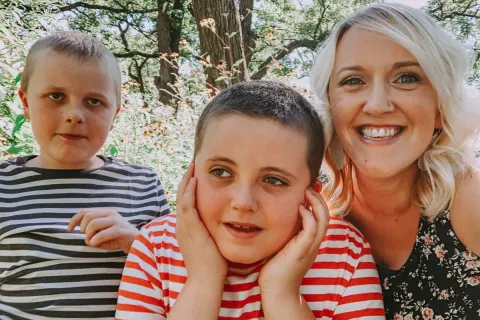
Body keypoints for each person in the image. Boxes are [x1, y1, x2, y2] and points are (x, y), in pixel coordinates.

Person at [115, 80, 385, 319]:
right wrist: (204, 279)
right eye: (221, 172)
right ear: (192, 175)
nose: (243, 202)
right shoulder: (155, 248)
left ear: (311, 195)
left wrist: (283, 293)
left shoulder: (345, 254)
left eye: (274, 180)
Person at [310, 3, 480, 319]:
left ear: (441, 106)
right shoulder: (306, 219)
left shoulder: (471, 199)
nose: (377, 105)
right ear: (330, 107)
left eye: (406, 77)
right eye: (353, 80)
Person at [0, 31, 170, 319]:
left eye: (93, 102)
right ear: (26, 103)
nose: (74, 114)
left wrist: (137, 242)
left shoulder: (142, 184)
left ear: (114, 114)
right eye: (56, 96)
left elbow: (177, 272)